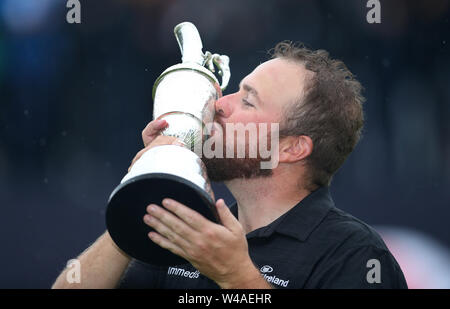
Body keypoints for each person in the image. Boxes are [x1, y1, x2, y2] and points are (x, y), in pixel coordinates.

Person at [52, 42, 407, 289]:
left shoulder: (353, 255)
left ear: (291, 147)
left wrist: (236, 277)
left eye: (248, 101)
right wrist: (145, 188)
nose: (220, 104)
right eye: (235, 90)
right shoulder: (184, 226)